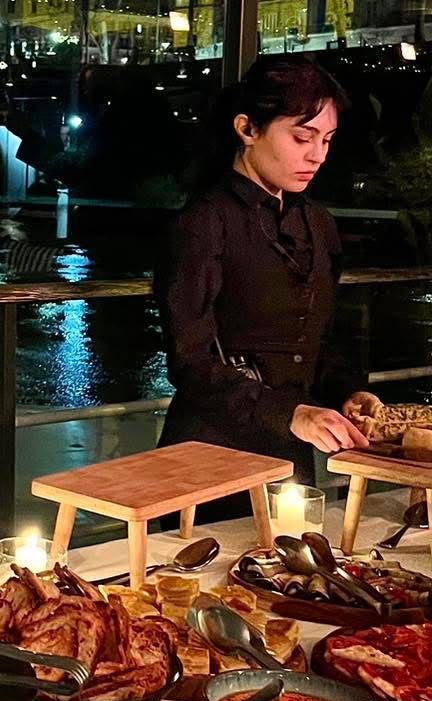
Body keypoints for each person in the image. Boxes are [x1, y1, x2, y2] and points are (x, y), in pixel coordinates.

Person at [156, 56, 376, 480]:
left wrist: (348, 392)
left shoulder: (317, 222)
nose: (317, 156)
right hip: (209, 453)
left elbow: (321, 340)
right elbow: (191, 363)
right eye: (302, 137)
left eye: (327, 140)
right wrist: (289, 411)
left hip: (290, 452)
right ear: (247, 129)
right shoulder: (204, 222)